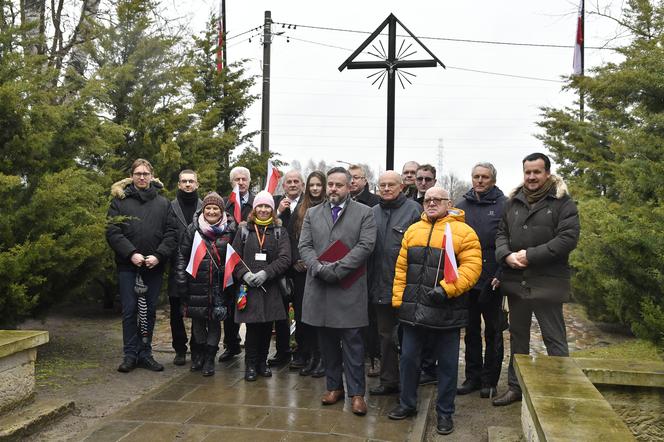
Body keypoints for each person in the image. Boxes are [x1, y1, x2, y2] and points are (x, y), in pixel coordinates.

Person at [389, 187, 481, 436]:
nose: (430, 203)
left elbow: (472, 268)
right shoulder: (413, 230)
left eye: (436, 200)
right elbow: (401, 269)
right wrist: (399, 301)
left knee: (448, 367)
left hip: (446, 311)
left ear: (448, 202)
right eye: (427, 199)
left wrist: (447, 289)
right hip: (414, 311)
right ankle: (407, 404)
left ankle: (445, 413)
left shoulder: (463, 232)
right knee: (408, 361)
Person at [492, 152, 580, 406]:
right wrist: (506, 255)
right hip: (516, 282)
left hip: (548, 283)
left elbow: (567, 239)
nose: (531, 177)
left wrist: (530, 256)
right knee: (518, 337)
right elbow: (501, 233)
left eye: (536, 172)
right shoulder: (513, 202)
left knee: (554, 339)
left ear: (547, 173)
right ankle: (515, 386)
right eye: (527, 172)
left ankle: (560, 390)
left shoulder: (563, 203)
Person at [299, 167, 377, 416]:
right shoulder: (312, 213)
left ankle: (356, 394)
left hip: (349, 287)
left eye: (338, 185)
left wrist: (338, 269)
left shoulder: (365, 213)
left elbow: (365, 246)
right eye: (330, 184)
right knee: (327, 342)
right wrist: (319, 268)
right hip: (320, 286)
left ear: (349, 186)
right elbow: (305, 245)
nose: (333, 189)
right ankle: (334, 388)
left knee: (353, 343)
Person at [106, 158, 177, 373]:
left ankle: (145, 352)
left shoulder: (163, 203)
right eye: (138, 174)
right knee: (129, 310)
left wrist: (158, 255)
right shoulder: (120, 201)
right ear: (132, 176)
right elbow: (112, 231)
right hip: (129, 267)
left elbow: (171, 233)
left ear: (152, 176)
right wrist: (131, 253)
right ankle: (130, 354)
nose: (142, 177)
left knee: (149, 311)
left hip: (153, 266)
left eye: (146, 174)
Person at [367, 171, 422, 396]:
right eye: (382, 185)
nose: (386, 188)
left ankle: (411, 383)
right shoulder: (372, 213)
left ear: (401, 187)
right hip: (380, 286)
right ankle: (388, 380)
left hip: (407, 287)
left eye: (391, 185)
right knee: (385, 336)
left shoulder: (414, 211)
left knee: (410, 339)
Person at [455, 162, 507, 398]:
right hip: (467, 278)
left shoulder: (505, 206)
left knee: (493, 332)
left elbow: (510, 241)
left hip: (492, 279)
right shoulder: (461, 206)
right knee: (471, 331)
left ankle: (490, 380)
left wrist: (500, 274)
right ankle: (472, 378)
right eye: (476, 176)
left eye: (485, 177)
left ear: (493, 180)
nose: (480, 180)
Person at [232, 191, 292, 381]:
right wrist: (245, 274)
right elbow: (233, 258)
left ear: (272, 210)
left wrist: (267, 273)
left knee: (267, 326)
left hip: (270, 287)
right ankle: (250, 364)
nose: (264, 209)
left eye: (267, 206)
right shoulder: (243, 231)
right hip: (249, 288)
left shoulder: (279, 231)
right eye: (260, 206)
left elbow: (285, 258)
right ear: (254, 208)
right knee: (252, 328)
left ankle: (262, 362)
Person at [175, 192, 234, 376]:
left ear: (221, 210)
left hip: (219, 286)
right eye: (208, 208)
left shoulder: (231, 230)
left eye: (215, 208)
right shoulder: (193, 229)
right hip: (197, 284)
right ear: (203, 209)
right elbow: (181, 256)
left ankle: (210, 358)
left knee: (215, 322)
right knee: (198, 322)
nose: (211, 211)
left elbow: (236, 256)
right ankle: (198, 355)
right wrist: (181, 280)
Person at [287, 171, 327, 377]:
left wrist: (315, 261)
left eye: (318, 185)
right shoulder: (300, 209)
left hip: (320, 270)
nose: (314, 189)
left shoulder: (329, 208)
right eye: (311, 185)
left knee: (319, 316)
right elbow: (291, 237)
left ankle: (321, 357)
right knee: (303, 316)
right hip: (301, 272)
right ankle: (308, 354)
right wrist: (295, 260)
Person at [269, 170, 305, 367]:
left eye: (296, 181)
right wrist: (279, 212)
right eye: (289, 182)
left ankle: (300, 352)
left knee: (300, 312)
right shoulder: (275, 203)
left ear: (302, 185)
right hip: (279, 266)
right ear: (283, 186)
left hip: (300, 267)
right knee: (280, 312)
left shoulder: (307, 204)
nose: (292, 184)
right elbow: (266, 226)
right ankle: (282, 352)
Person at [219, 166, 255, 362]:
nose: (240, 182)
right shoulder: (225, 204)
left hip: (250, 262)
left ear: (249, 182)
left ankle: (252, 348)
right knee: (230, 306)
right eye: (236, 179)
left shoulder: (257, 202)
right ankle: (231, 345)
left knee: (249, 305)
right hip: (228, 261)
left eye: (244, 179)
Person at [348, 164, 380, 376]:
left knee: (371, 317)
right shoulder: (340, 202)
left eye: (357, 178)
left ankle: (373, 357)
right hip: (342, 266)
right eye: (350, 178)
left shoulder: (374, 204)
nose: (353, 181)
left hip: (368, 266)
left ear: (365, 180)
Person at [167, 169, 202, 366]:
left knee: (198, 309)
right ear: (179, 185)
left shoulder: (205, 206)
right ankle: (180, 349)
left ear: (197, 184)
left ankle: (197, 347)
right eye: (184, 181)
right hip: (176, 264)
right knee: (175, 310)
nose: (188, 184)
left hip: (200, 265)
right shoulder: (169, 207)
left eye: (191, 181)